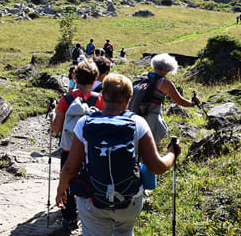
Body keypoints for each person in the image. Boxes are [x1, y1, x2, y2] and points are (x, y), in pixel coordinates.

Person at [55, 73, 180, 236]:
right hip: (129, 202)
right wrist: (172, 153)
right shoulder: (138, 123)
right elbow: (157, 167)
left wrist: (60, 191)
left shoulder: (84, 123)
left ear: (103, 95)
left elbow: (70, 168)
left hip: (93, 202)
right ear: (129, 99)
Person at [50, 60, 104, 231]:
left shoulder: (66, 100)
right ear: (95, 78)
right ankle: (89, 211)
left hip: (69, 148)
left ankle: (69, 216)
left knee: (67, 178)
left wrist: (52, 114)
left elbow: (57, 129)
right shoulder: (100, 99)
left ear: (74, 77)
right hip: (92, 149)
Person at [143, 53, 200, 144]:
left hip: (137, 112)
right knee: (151, 142)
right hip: (151, 115)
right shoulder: (165, 83)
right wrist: (193, 103)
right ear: (167, 69)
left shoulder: (144, 76)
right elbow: (180, 101)